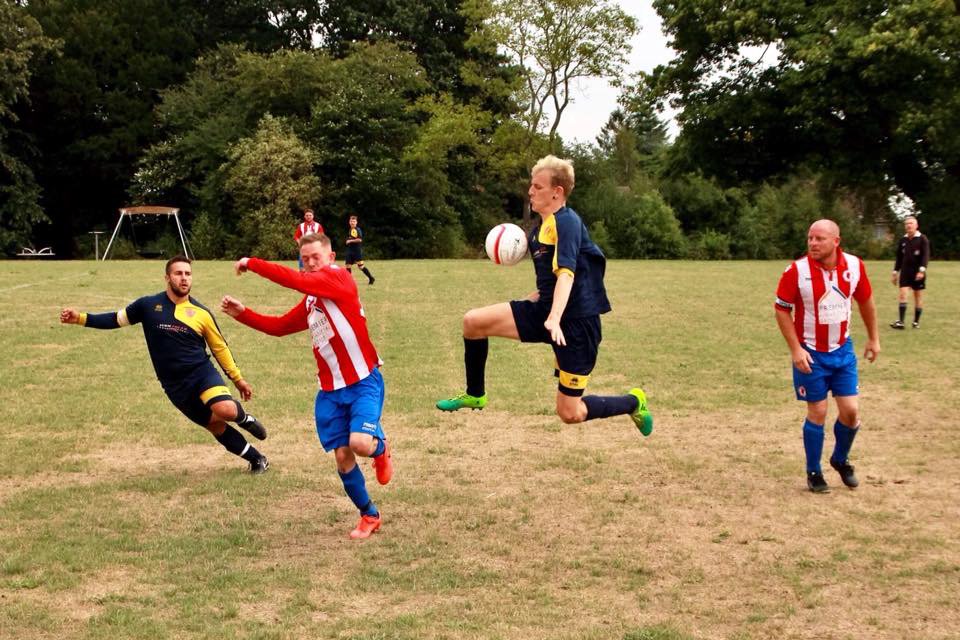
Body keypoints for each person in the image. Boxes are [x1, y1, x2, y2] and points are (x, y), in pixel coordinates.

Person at [435, 155, 653, 436]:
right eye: (531, 185)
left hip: (574, 324)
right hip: (549, 312)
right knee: (473, 322)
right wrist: (531, 302)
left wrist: (554, 318)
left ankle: (634, 402)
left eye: (537, 186)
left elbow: (566, 273)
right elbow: (550, 283)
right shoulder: (540, 231)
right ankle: (475, 393)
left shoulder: (567, 222)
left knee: (570, 413)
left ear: (557, 192)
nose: (530, 191)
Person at [221, 233, 393, 540]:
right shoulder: (313, 300)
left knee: (360, 444)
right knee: (342, 457)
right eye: (306, 259)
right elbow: (279, 327)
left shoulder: (339, 279)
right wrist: (242, 314)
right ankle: (369, 514)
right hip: (330, 392)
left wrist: (251, 262)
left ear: (331, 257)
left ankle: (381, 448)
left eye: (317, 257)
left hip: (363, 381)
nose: (311, 264)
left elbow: (294, 280)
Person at [59, 256, 269, 474]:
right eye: (178, 273)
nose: (184, 278)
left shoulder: (201, 313)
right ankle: (257, 459)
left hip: (202, 374)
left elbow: (220, 348)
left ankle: (244, 418)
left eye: (188, 274)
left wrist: (238, 379)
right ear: (167, 277)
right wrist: (80, 318)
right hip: (174, 385)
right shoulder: (147, 306)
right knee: (215, 425)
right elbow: (115, 319)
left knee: (223, 409)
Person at [774, 220, 880, 493]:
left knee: (851, 411)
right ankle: (814, 472)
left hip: (842, 351)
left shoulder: (854, 266)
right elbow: (781, 310)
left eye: (819, 238)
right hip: (810, 353)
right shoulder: (796, 271)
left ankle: (840, 459)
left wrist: (873, 338)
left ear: (836, 241)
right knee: (818, 411)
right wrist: (796, 349)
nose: (812, 243)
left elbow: (866, 300)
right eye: (810, 238)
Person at [890, 215, 930, 329]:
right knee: (903, 294)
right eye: (906, 224)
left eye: (911, 223)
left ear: (916, 226)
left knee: (918, 297)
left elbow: (926, 256)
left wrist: (921, 270)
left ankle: (916, 322)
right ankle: (901, 322)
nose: (908, 225)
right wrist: (895, 272)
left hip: (917, 272)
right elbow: (899, 258)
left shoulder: (922, 239)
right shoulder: (903, 240)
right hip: (905, 272)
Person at [344, 214, 375, 285]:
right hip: (350, 251)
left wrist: (350, 241)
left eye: (354, 221)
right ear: (349, 222)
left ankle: (371, 278)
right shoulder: (350, 229)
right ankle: (349, 282)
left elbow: (360, 240)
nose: (352, 222)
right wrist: (347, 240)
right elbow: (350, 238)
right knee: (348, 265)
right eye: (351, 221)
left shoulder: (357, 229)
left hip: (356, 251)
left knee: (361, 267)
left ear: (356, 222)